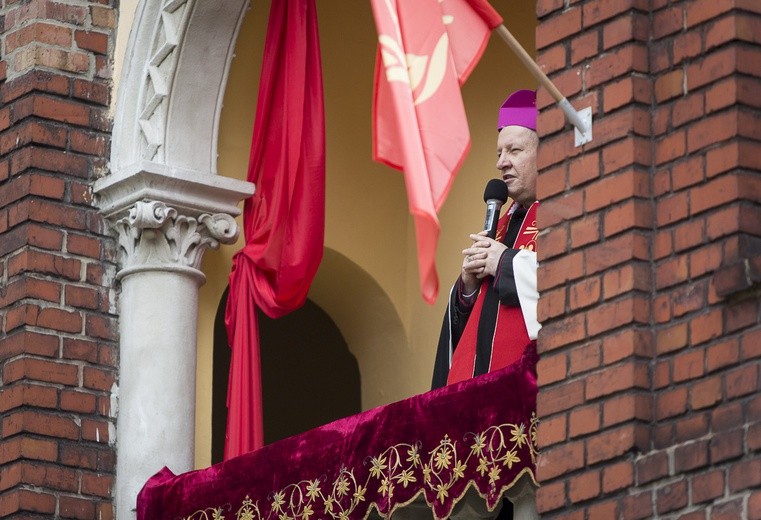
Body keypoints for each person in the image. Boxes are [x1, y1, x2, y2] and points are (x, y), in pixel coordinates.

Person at [432, 89, 540, 389]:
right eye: (498, 153)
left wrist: (503, 262)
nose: (502, 163)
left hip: (522, 394)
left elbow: (567, 285)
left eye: (514, 151)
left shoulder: (567, 213)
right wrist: (466, 287)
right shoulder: (500, 225)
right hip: (473, 396)